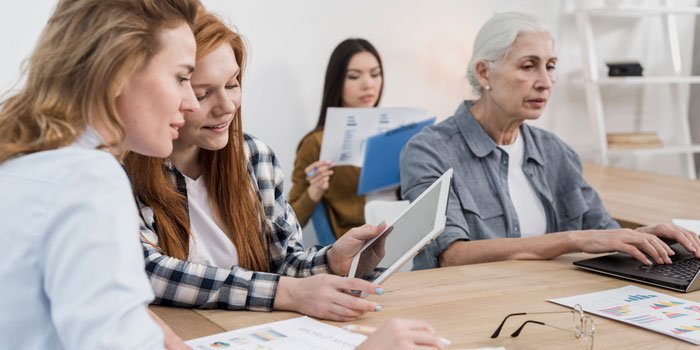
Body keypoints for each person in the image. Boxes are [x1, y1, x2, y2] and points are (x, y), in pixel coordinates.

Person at [123, 11, 387, 322]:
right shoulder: (121, 169)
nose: (227, 106)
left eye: (233, 84)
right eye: (202, 93)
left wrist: (332, 261)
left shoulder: (255, 157)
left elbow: (283, 263)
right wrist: (285, 293)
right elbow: (147, 271)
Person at [400, 12, 700, 270]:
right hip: (463, 311)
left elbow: (602, 232)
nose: (545, 81)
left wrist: (647, 235)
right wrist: (571, 240)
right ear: (484, 73)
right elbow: (451, 256)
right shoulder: (430, 151)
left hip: (547, 305)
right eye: (528, 66)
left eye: (551, 65)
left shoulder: (556, 151)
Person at [0, 0, 200, 349]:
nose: (191, 102)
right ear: (119, 67)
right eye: (181, 77)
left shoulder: (22, 161)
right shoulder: (88, 176)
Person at [289, 38, 384, 239]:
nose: (368, 84)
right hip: (355, 248)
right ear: (337, 82)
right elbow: (290, 221)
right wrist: (314, 190)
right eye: (354, 76)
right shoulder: (316, 143)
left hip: (402, 236)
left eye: (375, 74)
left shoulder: (394, 131)